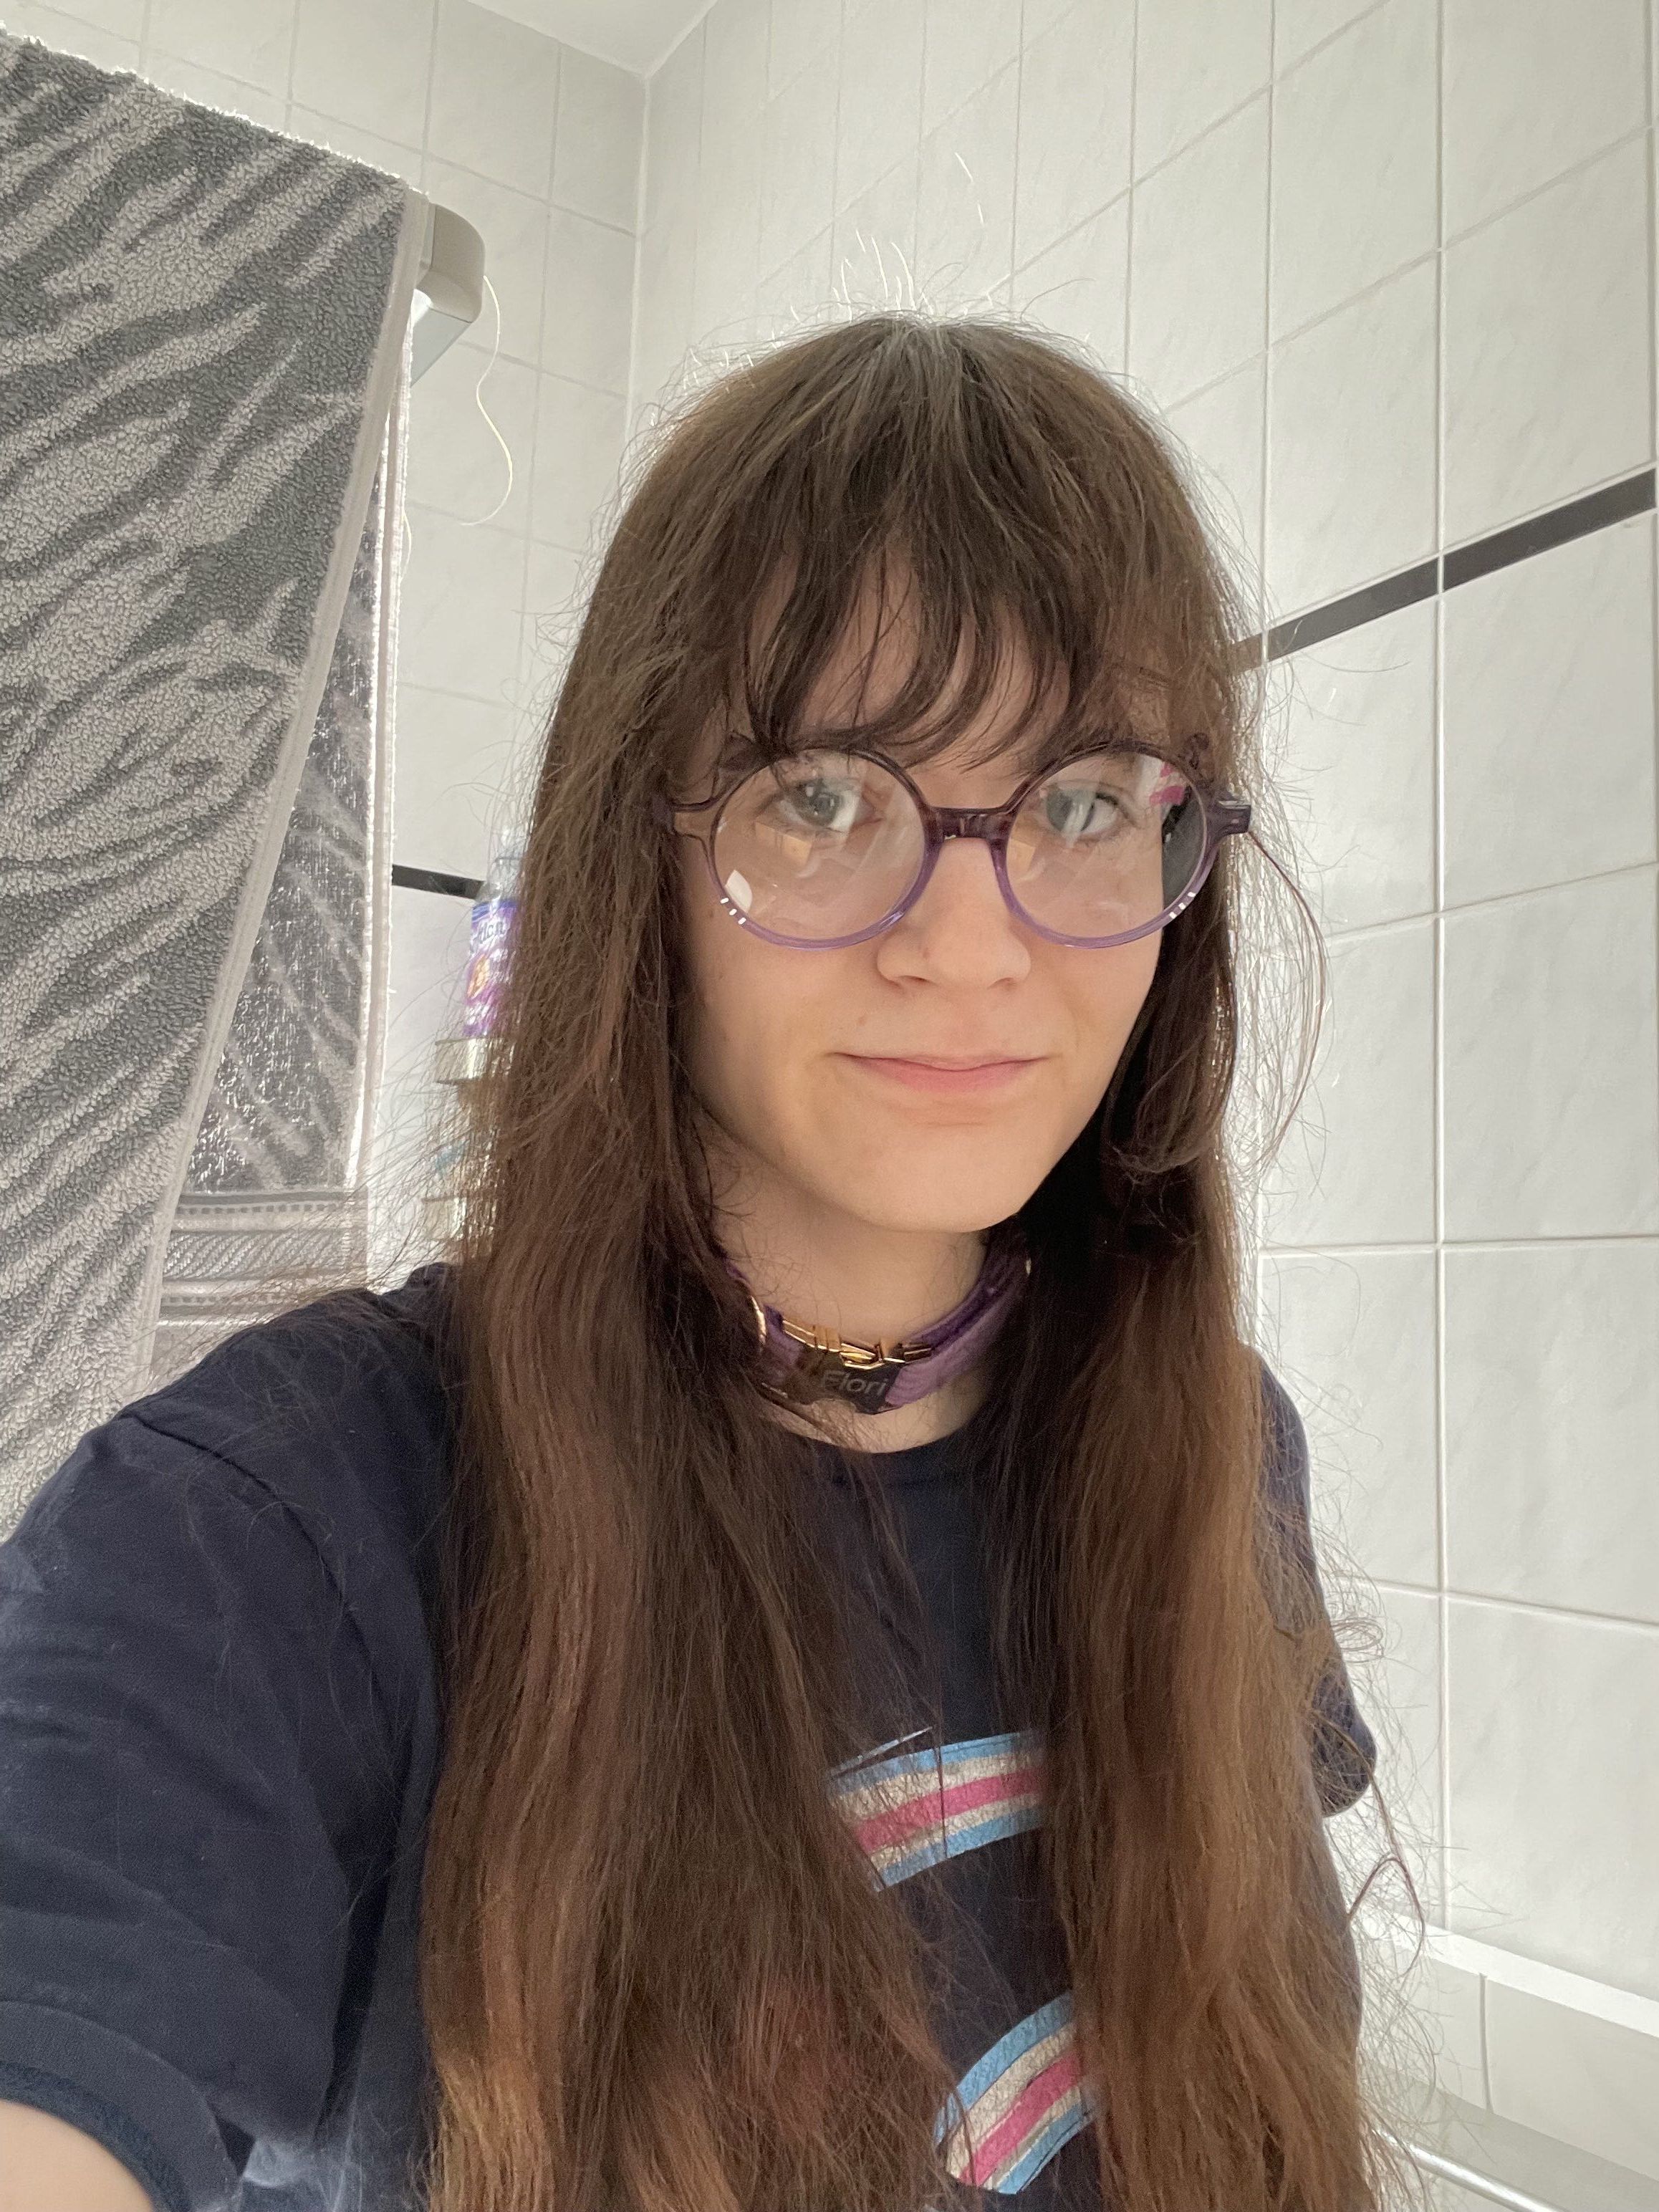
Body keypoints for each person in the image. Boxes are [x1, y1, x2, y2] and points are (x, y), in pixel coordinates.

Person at [0, 312, 1392, 2212]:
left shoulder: (1222, 1450)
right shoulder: (271, 1529)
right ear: (635, 858)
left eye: (1080, 804)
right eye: (821, 796)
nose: (973, 946)